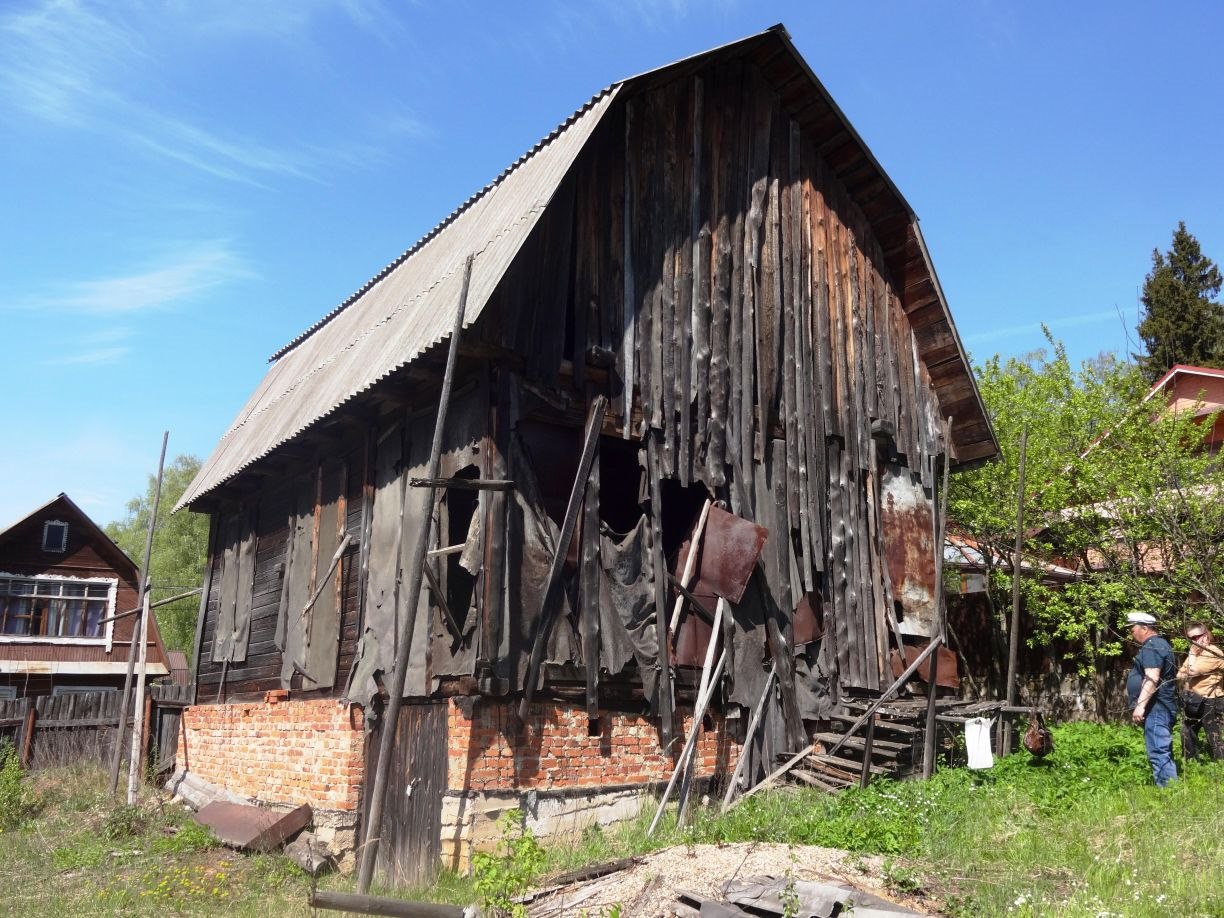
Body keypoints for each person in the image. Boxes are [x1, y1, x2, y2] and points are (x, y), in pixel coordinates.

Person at [1125, 612, 1178, 786]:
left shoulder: (1152, 645)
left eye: (1133, 629)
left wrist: (1140, 706)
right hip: (1161, 707)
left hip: (1157, 708)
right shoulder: (1160, 644)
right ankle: (1170, 790)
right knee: (1161, 749)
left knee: (1158, 751)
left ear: (1145, 628)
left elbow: (1152, 677)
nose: (1131, 634)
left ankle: (1169, 792)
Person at [1177, 621, 1224, 761]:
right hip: (1194, 700)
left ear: (1206, 635)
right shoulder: (1196, 655)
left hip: (1211, 700)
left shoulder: (1213, 652)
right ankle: (1191, 762)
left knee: (1213, 735)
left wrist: (1191, 654)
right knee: (1186, 731)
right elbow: (1179, 675)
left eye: (1197, 637)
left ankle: (1220, 765)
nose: (1194, 641)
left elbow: (1192, 671)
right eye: (1191, 638)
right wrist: (1191, 666)